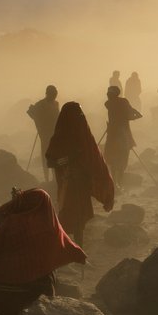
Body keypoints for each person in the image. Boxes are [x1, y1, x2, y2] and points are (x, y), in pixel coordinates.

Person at [0, 188, 86, 315]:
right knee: (49, 270)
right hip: (31, 297)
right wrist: (80, 256)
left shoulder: (10, 222)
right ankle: (31, 314)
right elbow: (67, 247)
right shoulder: (48, 228)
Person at [44, 102, 114, 244]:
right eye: (78, 115)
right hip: (67, 184)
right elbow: (50, 161)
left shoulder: (84, 136)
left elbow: (95, 160)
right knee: (69, 215)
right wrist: (62, 161)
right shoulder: (59, 137)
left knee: (79, 219)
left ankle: (77, 248)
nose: (81, 118)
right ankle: (68, 248)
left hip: (81, 183)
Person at [103, 85, 142, 186]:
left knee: (112, 158)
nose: (107, 95)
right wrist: (131, 117)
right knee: (122, 158)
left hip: (113, 134)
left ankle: (115, 181)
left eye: (109, 93)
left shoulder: (108, 103)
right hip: (123, 134)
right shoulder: (122, 102)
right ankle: (119, 181)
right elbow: (133, 113)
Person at [26, 85, 60, 181]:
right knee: (46, 154)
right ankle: (46, 178)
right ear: (48, 94)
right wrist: (40, 123)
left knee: (54, 154)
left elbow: (58, 117)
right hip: (45, 134)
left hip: (54, 133)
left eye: (55, 94)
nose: (54, 96)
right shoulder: (41, 104)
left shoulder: (56, 104)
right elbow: (31, 112)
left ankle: (54, 176)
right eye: (53, 94)